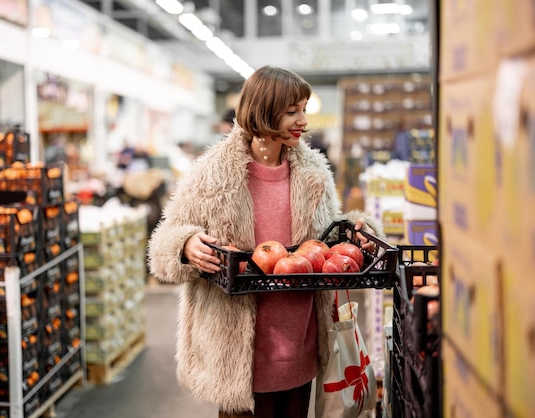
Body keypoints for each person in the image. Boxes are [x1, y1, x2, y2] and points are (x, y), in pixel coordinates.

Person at [147, 66, 383, 418]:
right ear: (263, 111)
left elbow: (325, 240)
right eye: (292, 111)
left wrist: (356, 229)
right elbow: (163, 244)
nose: (303, 120)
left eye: (304, 109)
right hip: (237, 350)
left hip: (300, 338)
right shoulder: (213, 172)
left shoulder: (313, 172)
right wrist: (186, 245)